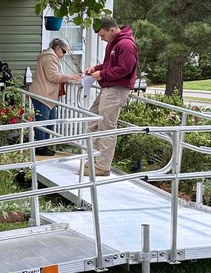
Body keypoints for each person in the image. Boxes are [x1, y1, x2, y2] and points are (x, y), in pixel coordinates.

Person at [83, 17, 139, 175]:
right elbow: (110, 65)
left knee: (106, 127)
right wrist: (96, 68)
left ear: (112, 30)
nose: (102, 39)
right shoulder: (113, 44)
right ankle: (93, 159)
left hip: (117, 90)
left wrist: (102, 74)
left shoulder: (126, 44)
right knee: (92, 121)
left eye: (102, 35)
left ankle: (102, 166)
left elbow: (125, 69)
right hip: (108, 88)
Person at [32, 37, 83, 155]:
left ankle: (44, 146)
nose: (64, 55)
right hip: (43, 94)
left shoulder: (49, 57)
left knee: (50, 121)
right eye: (64, 51)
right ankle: (40, 148)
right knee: (43, 122)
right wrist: (73, 77)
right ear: (57, 47)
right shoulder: (50, 58)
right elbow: (53, 76)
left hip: (47, 95)